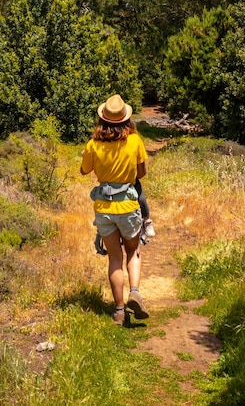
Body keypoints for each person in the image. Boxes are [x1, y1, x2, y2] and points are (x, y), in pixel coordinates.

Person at [80, 94, 150, 325]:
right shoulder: (134, 141)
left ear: (103, 120)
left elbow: (84, 170)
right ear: (125, 119)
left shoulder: (93, 144)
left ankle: (120, 312)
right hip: (128, 205)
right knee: (133, 251)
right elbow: (141, 174)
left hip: (104, 208)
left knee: (114, 259)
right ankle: (135, 293)